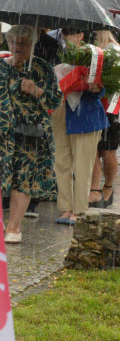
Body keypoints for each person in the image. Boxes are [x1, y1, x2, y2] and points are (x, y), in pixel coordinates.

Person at [0, 24, 62, 242]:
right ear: (8, 42)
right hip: (1, 134)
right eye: (14, 42)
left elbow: (56, 100)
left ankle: (14, 227)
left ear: (32, 44)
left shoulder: (42, 68)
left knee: (23, 179)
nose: (18, 46)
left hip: (31, 134)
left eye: (23, 43)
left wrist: (36, 90)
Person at [53, 29, 109, 225]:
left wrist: (96, 88)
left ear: (81, 35)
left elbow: (104, 90)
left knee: (83, 165)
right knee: (61, 162)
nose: (65, 36)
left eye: (70, 32)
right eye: (64, 32)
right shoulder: (58, 54)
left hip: (87, 115)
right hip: (62, 113)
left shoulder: (95, 56)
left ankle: (79, 209)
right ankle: (65, 208)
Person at [90, 29, 119, 208]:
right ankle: (94, 190)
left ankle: (108, 187)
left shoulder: (114, 50)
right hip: (96, 104)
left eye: (95, 32)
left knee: (107, 151)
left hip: (113, 107)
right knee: (93, 149)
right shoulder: (94, 50)